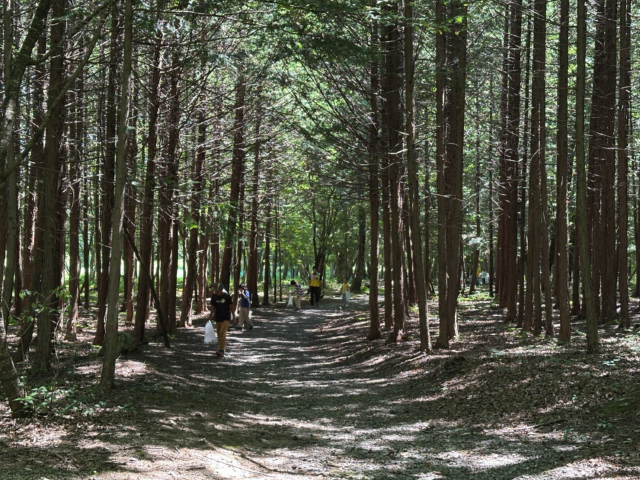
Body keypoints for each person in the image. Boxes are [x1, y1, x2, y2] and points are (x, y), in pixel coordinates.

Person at [210, 282, 235, 358]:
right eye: (215, 291)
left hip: (226, 317)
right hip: (218, 317)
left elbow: (231, 306)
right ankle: (221, 348)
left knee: (222, 332)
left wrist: (234, 316)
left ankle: (222, 351)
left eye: (217, 291)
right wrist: (209, 316)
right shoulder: (214, 296)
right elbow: (213, 307)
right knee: (219, 334)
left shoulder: (227, 296)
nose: (216, 292)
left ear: (221, 290)